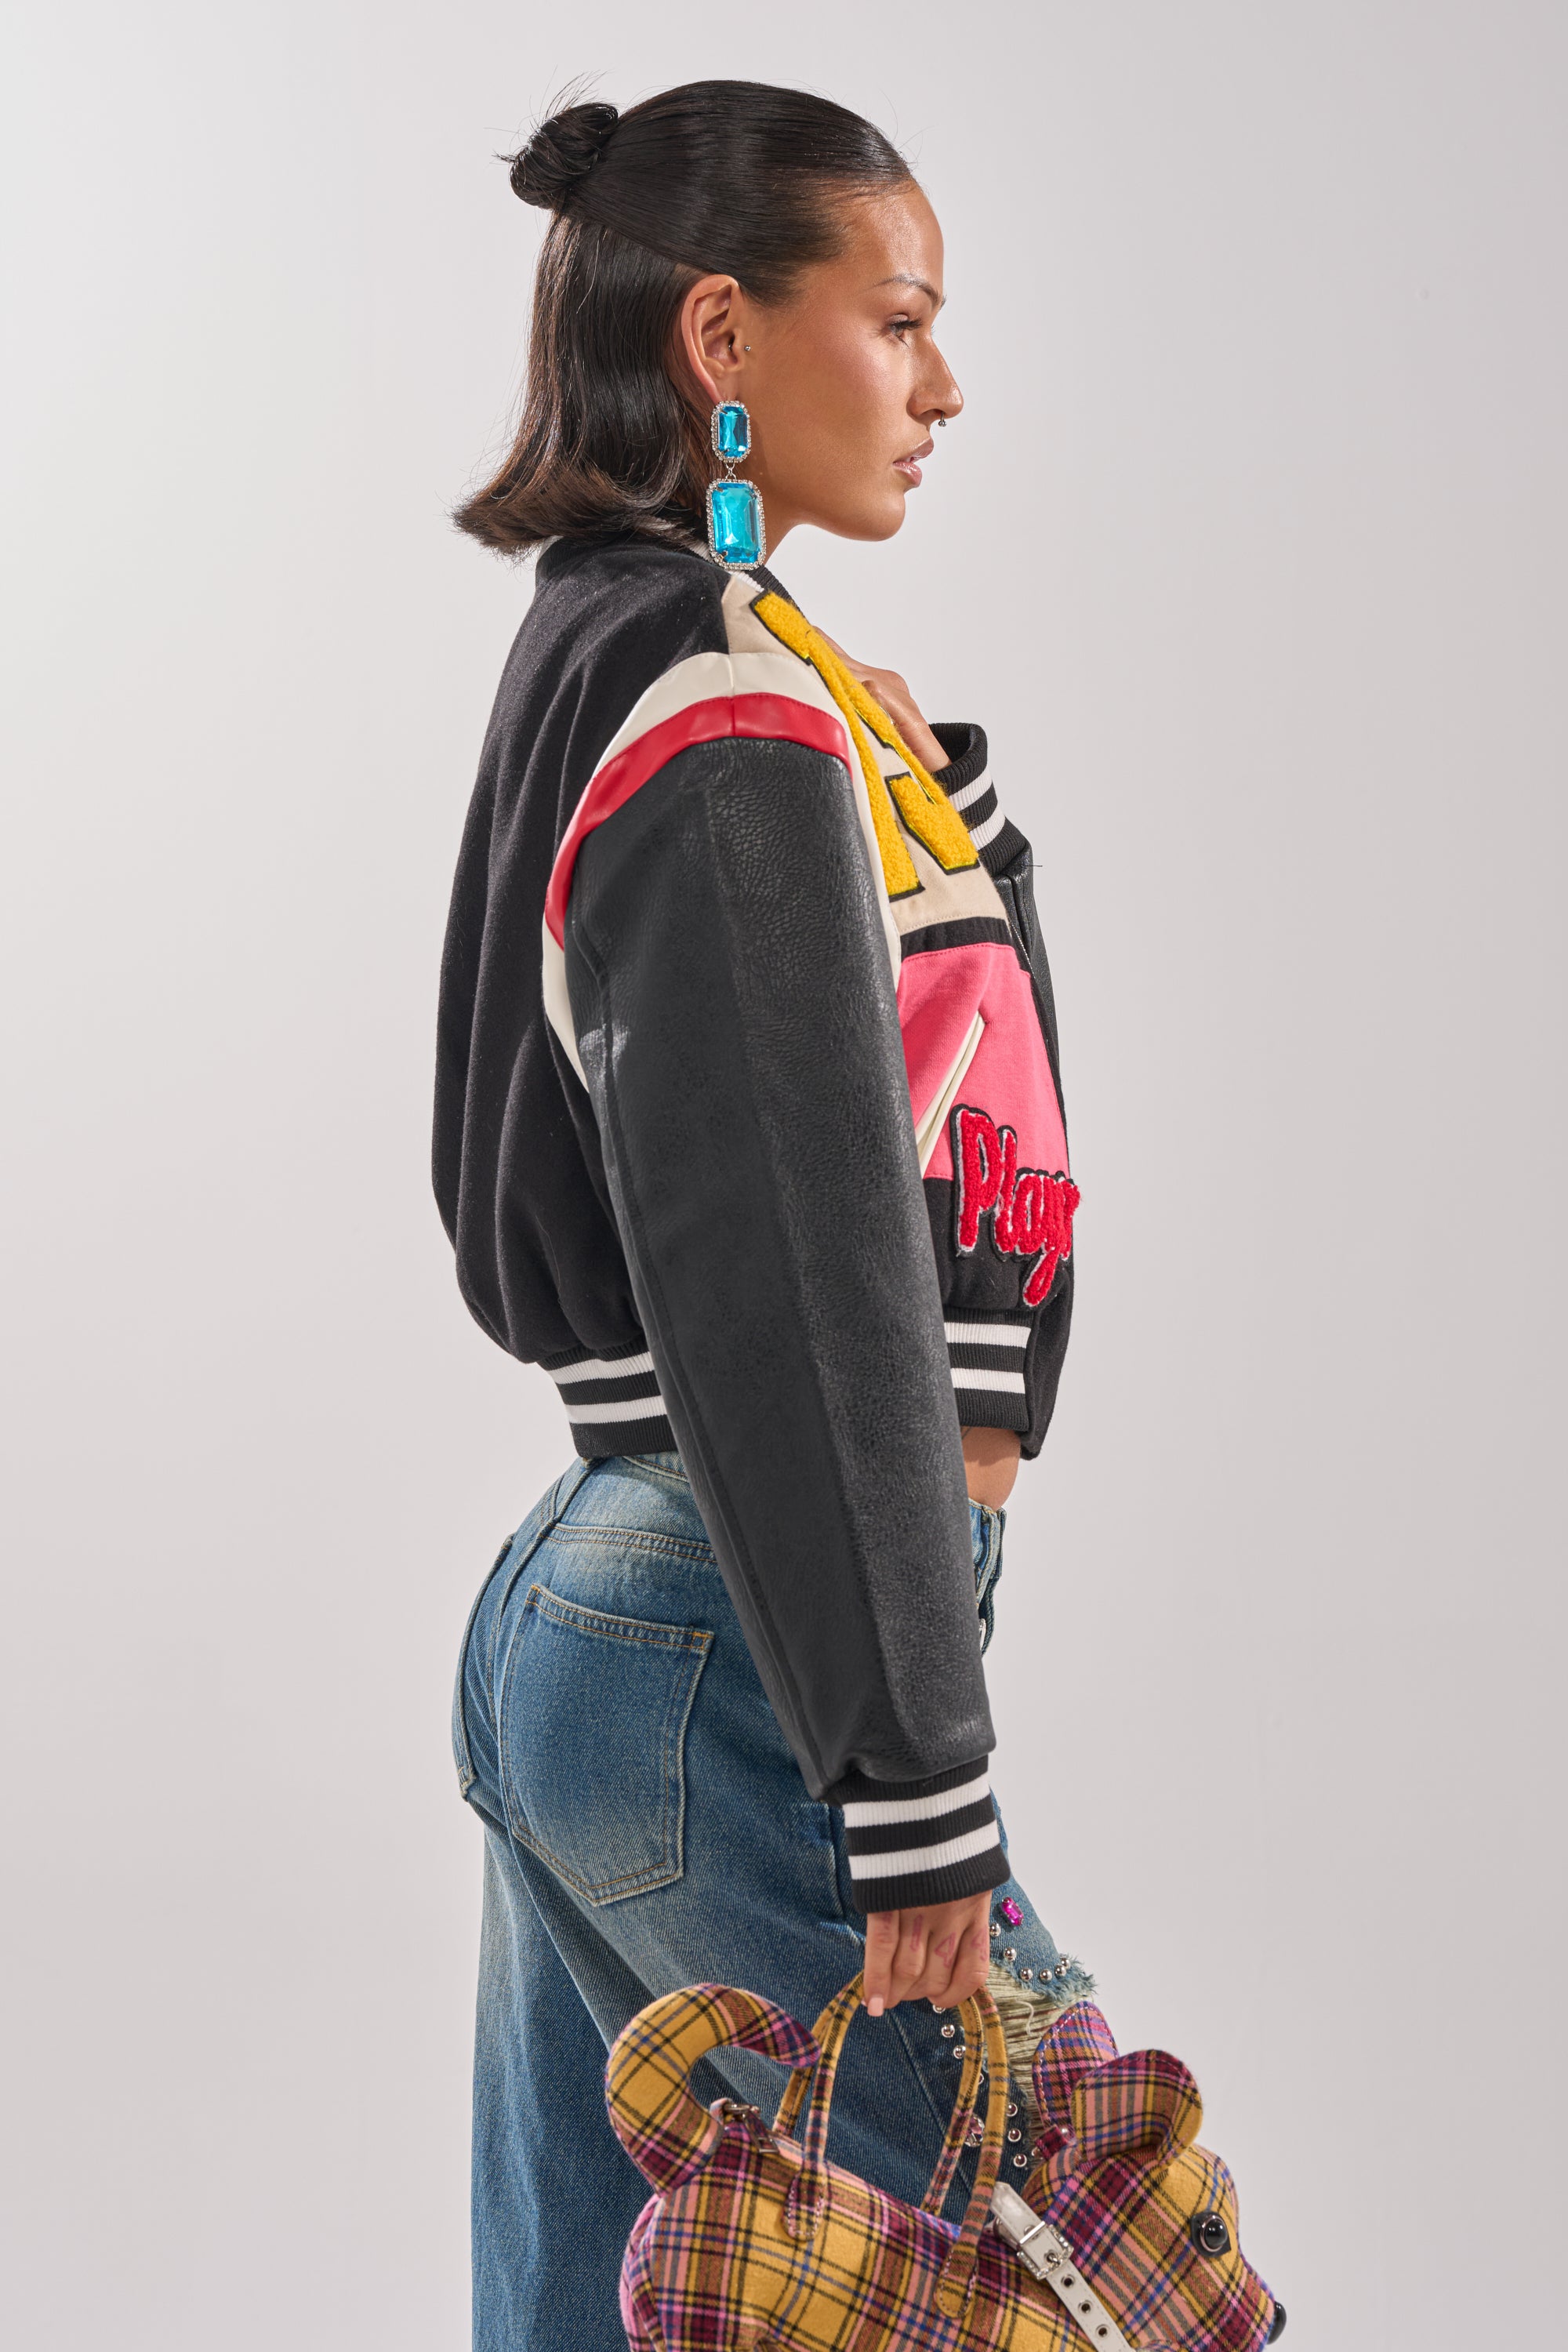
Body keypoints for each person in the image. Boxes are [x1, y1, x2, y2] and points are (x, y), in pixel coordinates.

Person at [434, 79, 1088, 2351]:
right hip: (741, 1635)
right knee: (1098, 2265)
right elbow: (795, 1269)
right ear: (726, 336)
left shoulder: (661, 643)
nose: (942, 385)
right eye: (896, 321)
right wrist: (911, 1778)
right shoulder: (715, 685)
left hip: (626, 1620)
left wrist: (938, 836)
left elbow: (871, 1126)